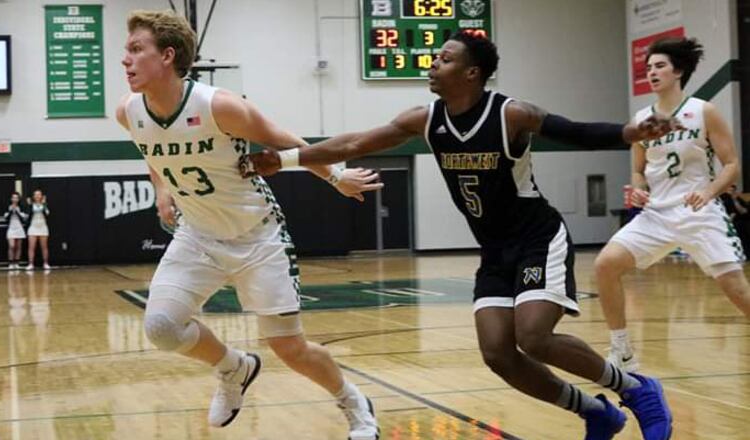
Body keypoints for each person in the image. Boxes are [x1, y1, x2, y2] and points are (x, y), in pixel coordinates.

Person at [242, 31, 678, 439]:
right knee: (498, 354)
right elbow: (355, 143)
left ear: (471, 73)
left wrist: (628, 133)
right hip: (493, 250)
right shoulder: (426, 119)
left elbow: (573, 131)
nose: (433, 65)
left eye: (444, 59)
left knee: (534, 337)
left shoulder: (511, 113)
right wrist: (286, 160)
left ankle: (637, 388)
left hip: (536, 239)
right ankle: (594, 411)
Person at [115, 10, 381, 438]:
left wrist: (336, 177)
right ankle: (233, 368)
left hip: (257, 237)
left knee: (290, 349)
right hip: (197, 237)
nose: (125, 60)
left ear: (167, 56)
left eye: (135, 50)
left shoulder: (218, 105)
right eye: (126, 51)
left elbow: (287, 141)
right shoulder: (129, 112)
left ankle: (355, 403)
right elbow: (152, 152)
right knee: (161, 327)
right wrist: (162, 189)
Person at [592, 37, 750, 372]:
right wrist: (637, 190)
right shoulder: (642, 118)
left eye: (659, 65)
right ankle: (622, 350)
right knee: (605, 265)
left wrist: (709, 192)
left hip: (699, 213)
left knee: (738, 292)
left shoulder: (703, 111)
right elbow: (638, 169)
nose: (652, 72)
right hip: (657, 215)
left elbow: (733, 164)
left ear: (678, 71)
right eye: (648, 67)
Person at [26, 190, 51, 271]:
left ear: (41, 196)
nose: (37, 196)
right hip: (33, 227)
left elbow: (47, 213)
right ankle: (30, 264)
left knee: (44, 247)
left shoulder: (44, 205)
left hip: (43, 227)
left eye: (39, 194)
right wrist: (29, 205)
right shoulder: (31, 205)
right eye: (35, 195)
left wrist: (44, 204)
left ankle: (45, 263)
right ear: (33, 196)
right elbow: (28, 215)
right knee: (31, 247)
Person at [5, 192, 28, 270]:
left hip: (19, 227)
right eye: (13, 197)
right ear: (11, 199)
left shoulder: (22, 207)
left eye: (16, 198)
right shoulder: (8, 207)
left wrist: (17, 211)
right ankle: (11, 262)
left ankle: (17, 262)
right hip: (11, 227)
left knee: (18, 246)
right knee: (11, 246)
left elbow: (23, 218)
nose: (15, 199)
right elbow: (6, 218)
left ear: (18, 199)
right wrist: (11, 211)